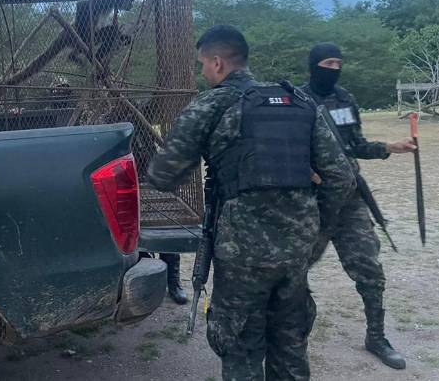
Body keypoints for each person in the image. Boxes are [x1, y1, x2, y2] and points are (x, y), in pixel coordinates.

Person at [148, 25, 354, 380]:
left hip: (241, 253)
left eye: (202, 65)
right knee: (290, 346)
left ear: (216, 63)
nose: (202, 73)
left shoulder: (210, 105)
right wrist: (316, 231)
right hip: (296, 250)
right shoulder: (298, 102)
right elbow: (341, 177)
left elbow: (164, 175)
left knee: (241, 347)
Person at [303, 42, 415, 370]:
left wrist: (389, 147)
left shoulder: (344, 99)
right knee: (294, 272)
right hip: (312, 205)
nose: (334, 68)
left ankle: (376, 337)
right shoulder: (297, 100)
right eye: (328, 62)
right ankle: (293, 335)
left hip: (351, 202)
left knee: (369, 269)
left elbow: (356, 145)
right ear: (314, 65)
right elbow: (287, 150)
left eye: (339, 62)